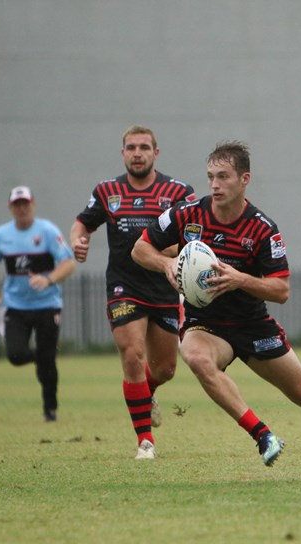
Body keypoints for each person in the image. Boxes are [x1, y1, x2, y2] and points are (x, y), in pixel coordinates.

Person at [131, 141, 301, 475]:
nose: (214, 185)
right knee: (196, 357)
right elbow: (140, 249)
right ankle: (262, 435)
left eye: (223, 177)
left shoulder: (261, 228)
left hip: (252, 324)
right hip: (207, 324)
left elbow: (281, 290)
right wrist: (165, 265)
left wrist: (239, 280)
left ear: (245, 179)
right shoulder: (186, 215)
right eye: (211, 177)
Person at [70, 125, 196, 460]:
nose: (137, 153)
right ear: (123, 153)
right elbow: (82, 223)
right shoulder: (107, 191)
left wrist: (169, 255)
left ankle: (146, 391)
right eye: (130, 147)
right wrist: (77, 240)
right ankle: (146, 441)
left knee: (166, 368)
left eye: (143, 147)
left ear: (156, 153)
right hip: (124, 287)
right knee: (132, 355)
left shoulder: (179, 192)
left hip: (165, 285)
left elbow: (192, 237)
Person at [0, 185, 76, 422]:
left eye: (25, 204)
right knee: (15, 355)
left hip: (47, 305)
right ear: (10, 207)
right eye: (17, 205)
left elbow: (68, 263)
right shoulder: (1, 235)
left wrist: (48, 279)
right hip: (16, 306)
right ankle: (41, 357)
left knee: (47, 367)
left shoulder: (47, 231)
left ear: (33, 204)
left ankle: (50, 409)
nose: (22, 208)